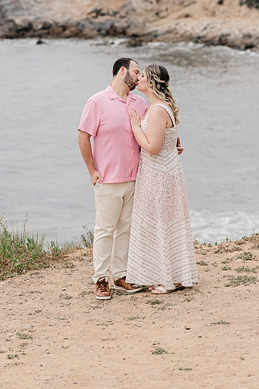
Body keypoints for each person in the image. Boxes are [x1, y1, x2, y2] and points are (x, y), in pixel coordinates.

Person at [78, 58, 147, 300]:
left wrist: (173, 144)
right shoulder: (97, 101)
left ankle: (120, 275)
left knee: (126, 229)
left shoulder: (140, 103)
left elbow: (150, 133)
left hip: (135, 178)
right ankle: (100, 279)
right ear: (122, 71)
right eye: (136, 72)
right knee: (105, 230)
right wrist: (92, 170)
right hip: (107, 179)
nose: (139, 77)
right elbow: (83, 137)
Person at [126, 64, 198, 294]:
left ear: (151, 83)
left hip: (158, 176)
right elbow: (167, 140)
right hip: (165, 173)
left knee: (159, 224)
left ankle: (166, 281)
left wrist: (135, 126)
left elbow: (152, 147)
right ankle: (174, 277)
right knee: (165, 223)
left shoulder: (157, 110)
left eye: (143, 76)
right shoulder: (158, 107)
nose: (139, 78)